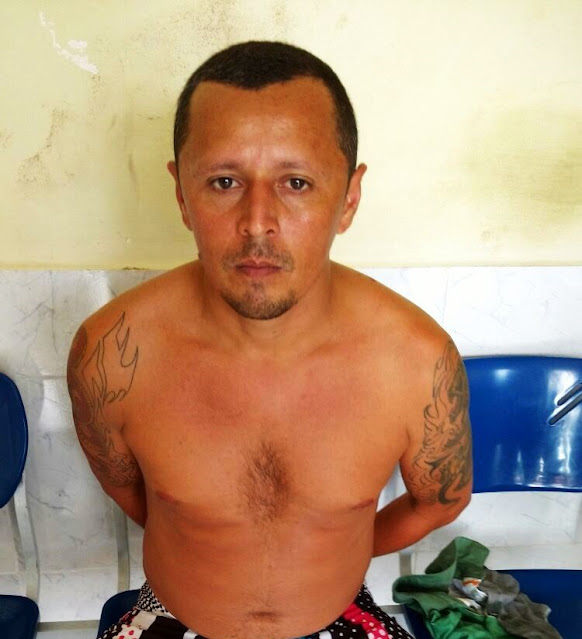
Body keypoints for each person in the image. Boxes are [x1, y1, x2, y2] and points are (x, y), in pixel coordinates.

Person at [67, 41, 472, 639]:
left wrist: (331, 552)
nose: (258, 222)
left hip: (343, 617)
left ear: (349, 198)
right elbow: (126, 487)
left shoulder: (416, 361)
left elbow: (440, 501)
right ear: (182, 194)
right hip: (168, 617)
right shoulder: (112, 353)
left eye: (297, 182)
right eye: (224, 181)